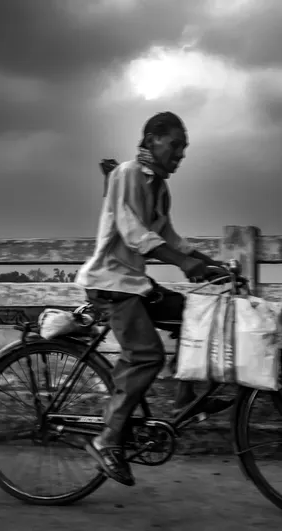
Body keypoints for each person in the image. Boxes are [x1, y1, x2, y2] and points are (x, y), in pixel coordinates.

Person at [75, 111, 233, 486]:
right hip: (111, 283)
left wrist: (212, 265)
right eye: (175, 145)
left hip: (135, 283)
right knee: (146, 355)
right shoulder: (127, 173)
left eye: (184, 148)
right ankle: (106, 439)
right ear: (151, 140)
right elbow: (134, 234)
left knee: (193, 314)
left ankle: (184, 396)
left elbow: (170, 237)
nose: (180, 155)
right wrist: (183, 263)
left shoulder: (160, 188)